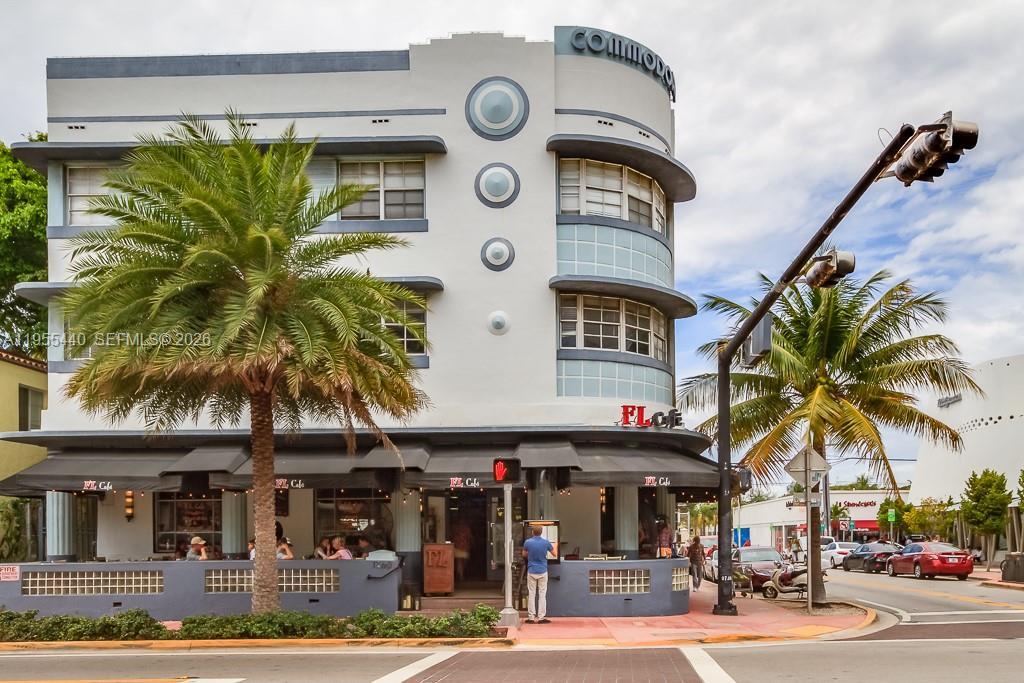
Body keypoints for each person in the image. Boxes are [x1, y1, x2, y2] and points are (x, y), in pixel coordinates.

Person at [522, 526, 553, 624]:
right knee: (542, 594)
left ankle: (531, 617)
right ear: (541, 532)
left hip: (531, 570)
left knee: (531, 594)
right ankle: (541, 618)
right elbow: (554, 553)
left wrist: (531, 554)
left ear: (532, 532)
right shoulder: (546, 542)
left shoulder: (527, 542)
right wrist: (555, 546)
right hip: (543, 570)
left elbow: (524, 554)